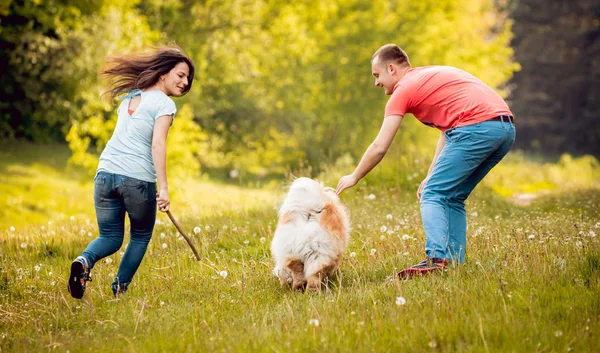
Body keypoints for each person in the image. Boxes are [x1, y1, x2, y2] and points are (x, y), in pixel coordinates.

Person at [336, 44, 515, 279]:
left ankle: (437, 259)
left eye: (377, 75)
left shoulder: (404, 90)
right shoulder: (425, 77)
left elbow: (380, 146)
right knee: (451, 196)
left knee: (433, 195)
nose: (376, 83)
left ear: (391, 68)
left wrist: (354, 176)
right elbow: (447, 131)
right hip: (503, 129)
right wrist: (430, 175)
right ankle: (452, 262)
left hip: (476, 128)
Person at [67, 47, 195, 298]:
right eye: (180, 75)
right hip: (136, 179)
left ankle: (83, 262)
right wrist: (165, 188)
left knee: (111, 237)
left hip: (104, 175)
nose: (185, 82)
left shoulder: (130, 96)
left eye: (187, 78)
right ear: (162, 74)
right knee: (140, 235)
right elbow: (157, 144)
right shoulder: (165, 104)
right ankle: (119, 289)